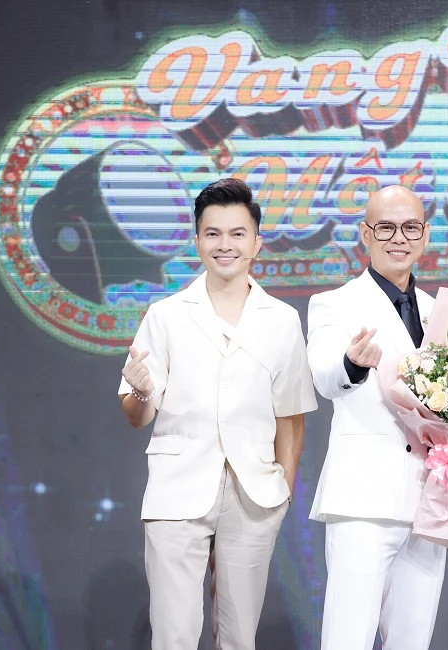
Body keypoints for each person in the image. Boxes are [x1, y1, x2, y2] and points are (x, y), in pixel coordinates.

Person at [118, 177, 318, 650]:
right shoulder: (165, 315)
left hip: (254, 493)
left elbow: (290, 414)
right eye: (213, 234)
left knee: (239, 636)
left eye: (237, 234)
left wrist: (283, 491)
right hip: (177, 486)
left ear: (256, 243)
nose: (224, 245)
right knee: (174, 633)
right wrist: (142, 392)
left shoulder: (282, 319)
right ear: (197, 241)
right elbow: (136, 415)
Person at [307, 184, 448, 650]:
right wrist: (352, 364)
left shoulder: (442, 312)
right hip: (363, 500)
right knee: (347, 637)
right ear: (365, 234)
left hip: (430, 499)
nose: (399, 238)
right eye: (386, 227)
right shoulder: (335, 303)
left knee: (412, 639)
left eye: (410, 227)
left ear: (425, 234)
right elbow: (325, 376)